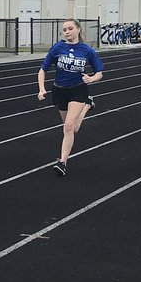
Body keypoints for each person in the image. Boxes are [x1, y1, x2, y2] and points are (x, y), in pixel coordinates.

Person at [37, 18, 103, 177]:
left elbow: (99, 73)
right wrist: (41, 89)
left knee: (67, 127)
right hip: (59, 91)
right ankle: (87, 106)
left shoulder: (87, 50)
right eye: (64, 29)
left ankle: (62, 162)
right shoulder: (57, 48)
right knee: (73, 128)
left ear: (78, 30)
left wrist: (91, 79)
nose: (67, 32)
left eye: (70, 28)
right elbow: (42, 69)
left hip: (78, 90)